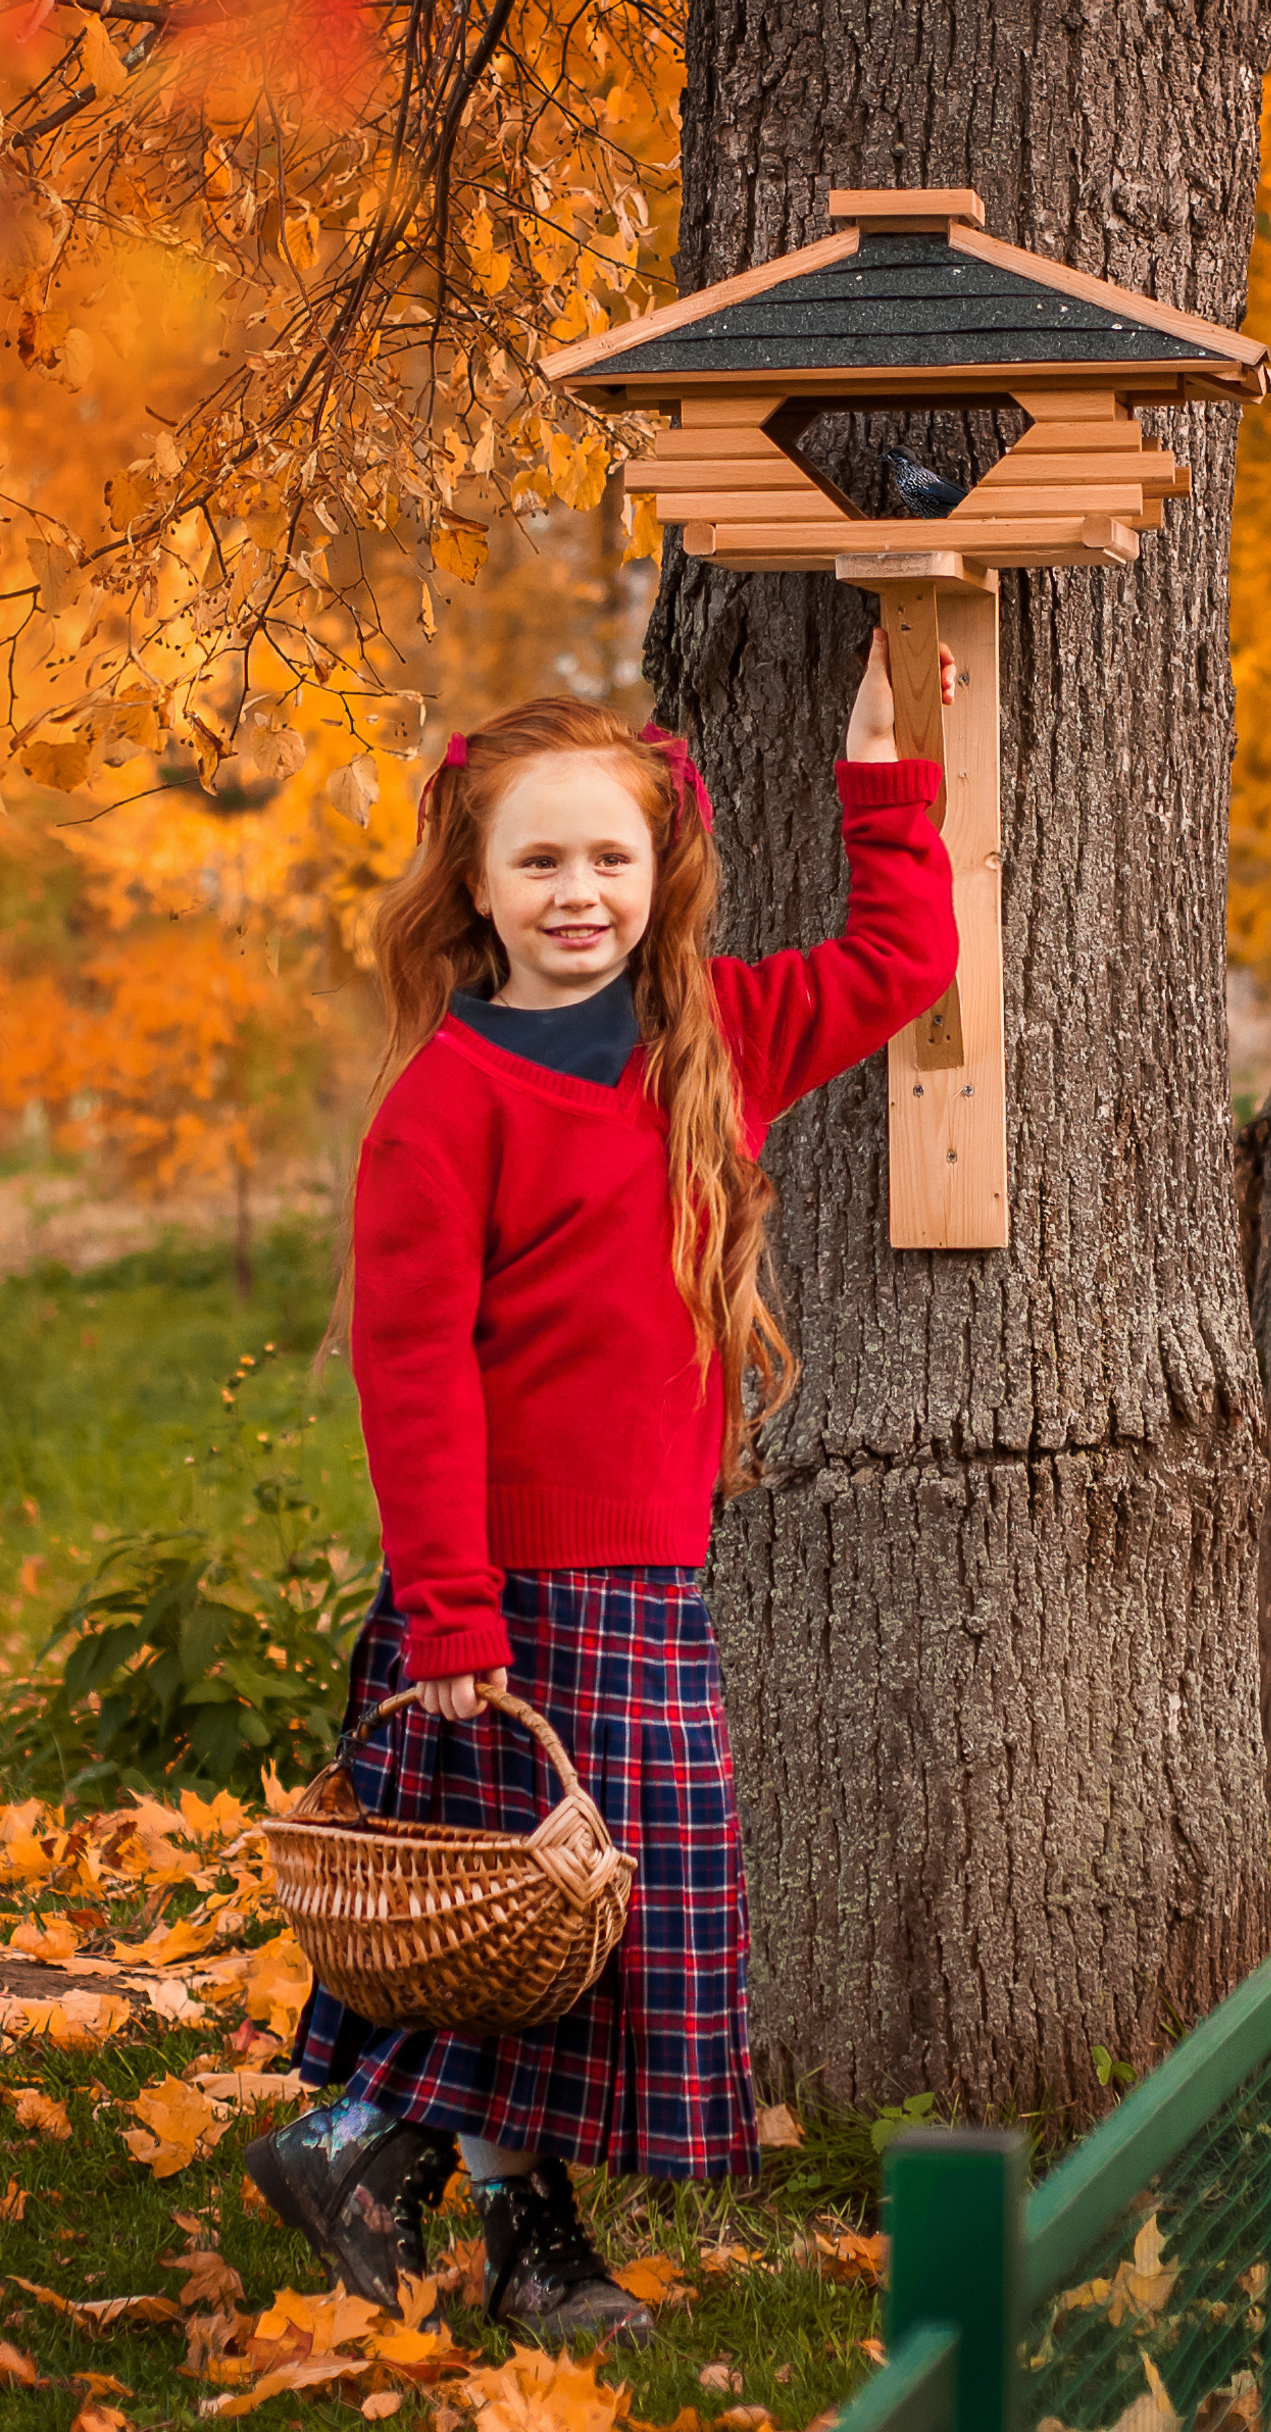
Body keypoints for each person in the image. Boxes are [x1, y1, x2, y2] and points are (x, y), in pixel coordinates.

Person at [247, 625, 956, 2342]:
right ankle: (466, 2209)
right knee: (527, 1926)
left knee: (585, 1935)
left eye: (611, 858)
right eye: (540, 859)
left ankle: (390, 2167)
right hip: (501, 1593)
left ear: (664, 869)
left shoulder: (715, 1036)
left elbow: (905, 955)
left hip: (648, 1573)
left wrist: (889, 764)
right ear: (475, 886)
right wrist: (448, 1611)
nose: (580, 891)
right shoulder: (442, 1107)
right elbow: (413, 1380)